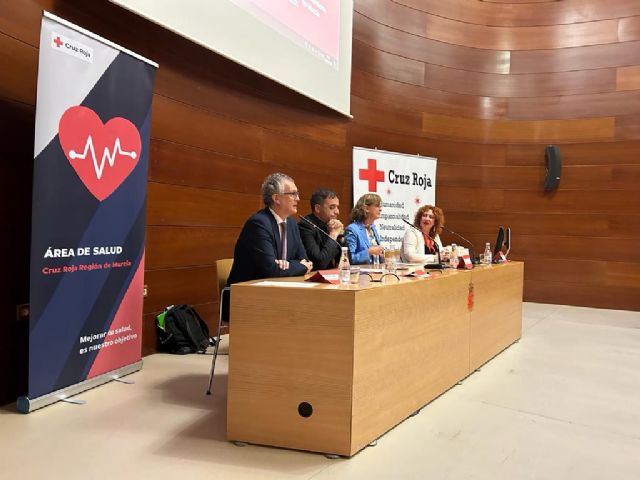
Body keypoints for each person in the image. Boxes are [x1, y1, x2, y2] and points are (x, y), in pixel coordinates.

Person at [224, 173, 313, 319]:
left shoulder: (291, 223)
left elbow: (305, 259)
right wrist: (299, 266)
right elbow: (271, 269)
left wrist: (287, 265)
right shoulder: (258, 224)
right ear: (276, 198)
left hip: (277, 291)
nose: (298, 198)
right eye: (293, 194)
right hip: (247, 296)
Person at [298, 189, 344, 270]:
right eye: (332, 207)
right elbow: (319, 263)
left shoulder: (331, 224)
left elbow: (346, 260)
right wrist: (333, 235)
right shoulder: (305, 226)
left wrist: (341, 236)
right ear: (317, 208)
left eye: (337, 207)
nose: (337, 212)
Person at [344, 193, 384, 265]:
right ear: (366, 208)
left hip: (376, 271)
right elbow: (349, 259)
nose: (380, 209)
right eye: (377, 206)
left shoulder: (373, 228)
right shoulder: (352, 229)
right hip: (361, 274)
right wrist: (369, 252)